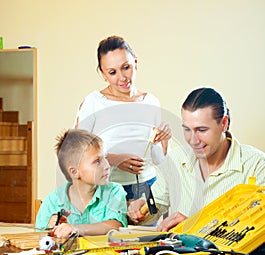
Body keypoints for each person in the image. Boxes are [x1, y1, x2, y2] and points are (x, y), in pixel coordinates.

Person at [128, 87, 265, 231]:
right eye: (187, 129)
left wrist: (196, 226)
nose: (193, 140)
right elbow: (154, 208)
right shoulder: (175, 159)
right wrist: (140, 209)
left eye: (201, 130)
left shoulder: (256, 165)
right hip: (178, 253)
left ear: (224, 123)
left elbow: (259, 229)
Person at [74, 35, 171, 202]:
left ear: (135, 62)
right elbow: (75, 153)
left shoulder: (151, 102)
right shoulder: (94, 102)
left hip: (147, 187)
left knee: (144, 230)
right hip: (107, 188)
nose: (122, 78)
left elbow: (157, 159)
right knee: (109, 229)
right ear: (103, 74)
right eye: (112, 72)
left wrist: (165, 140)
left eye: (126, 67)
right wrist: (113, 159)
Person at [36, 129, 128, 239]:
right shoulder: (53, 201)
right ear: (75, 172)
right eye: (97, 161)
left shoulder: (114, 191)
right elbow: (40, 237)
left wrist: (75, 228)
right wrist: (51, 228)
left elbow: (116, 226)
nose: (106, 165)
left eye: (105, 158)